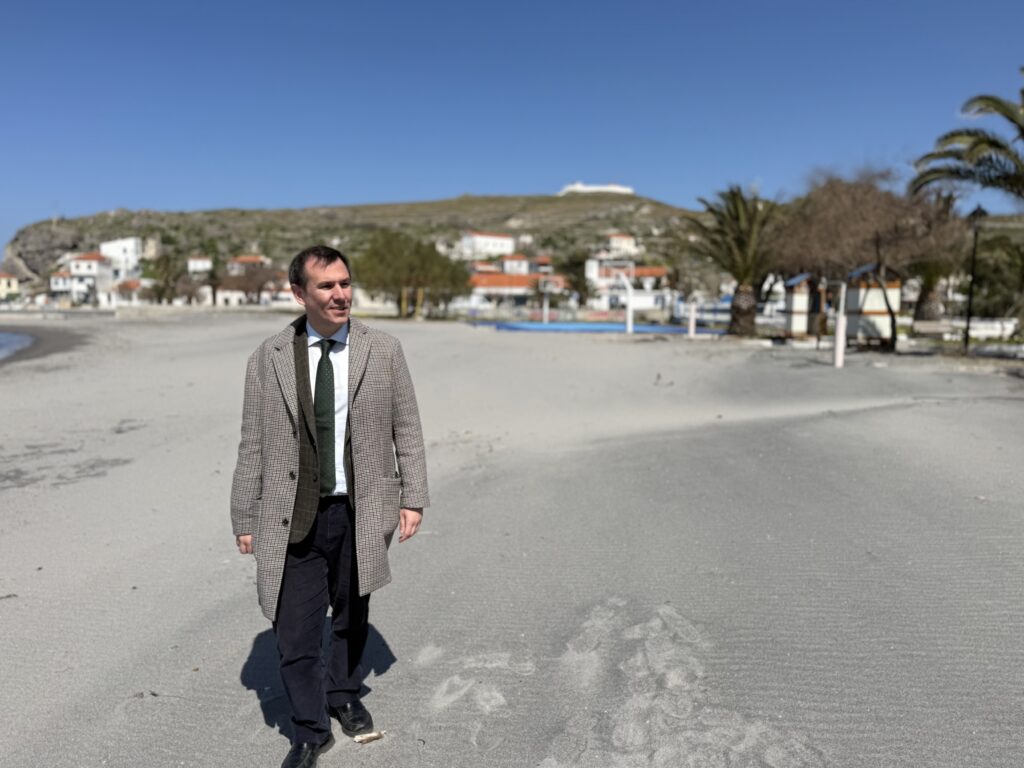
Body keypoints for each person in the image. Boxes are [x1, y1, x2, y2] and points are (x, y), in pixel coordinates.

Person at [231, 245, 429, 768]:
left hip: (360, 510)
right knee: (294, 630)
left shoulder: (383, 350)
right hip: (290, 515)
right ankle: (309, 730)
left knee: (351, 614)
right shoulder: (268, 357)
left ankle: (343, 693)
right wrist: (243, 516)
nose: (341, 294)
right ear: (300, 293)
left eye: (345, 283)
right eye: (327, 285)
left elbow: (406, 426)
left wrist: (413, 497)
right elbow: (252, 442)